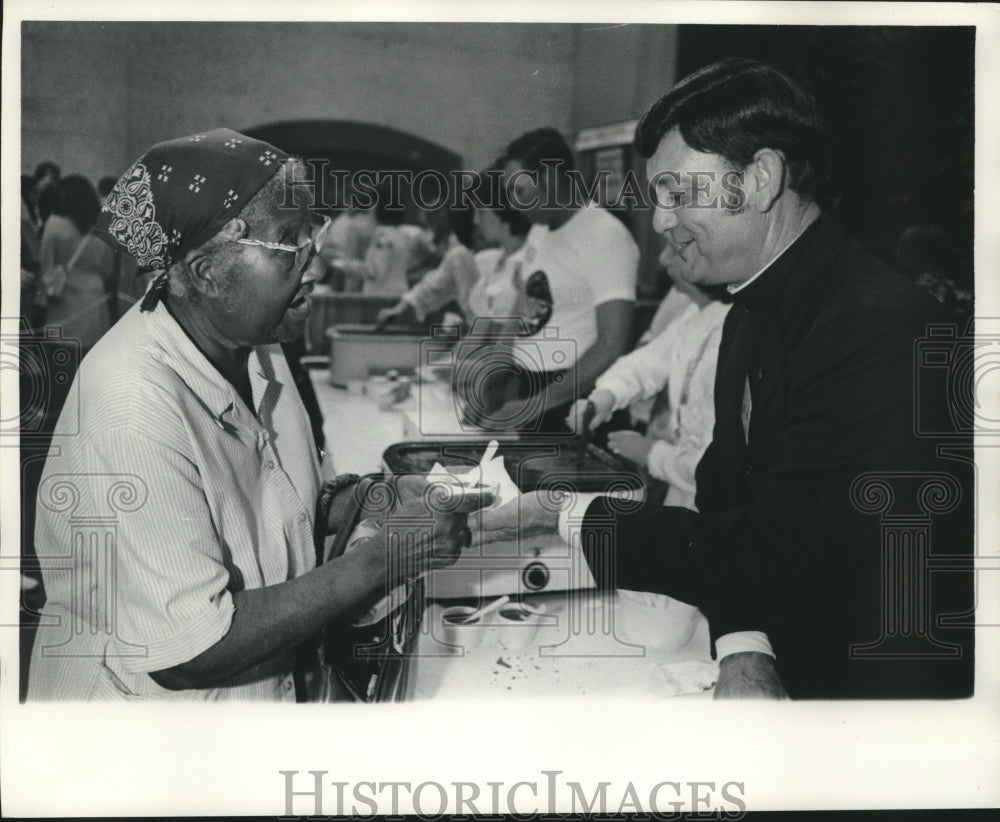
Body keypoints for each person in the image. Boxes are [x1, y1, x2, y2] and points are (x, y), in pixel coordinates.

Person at [474, 60, 973, 699]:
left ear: (761, 178)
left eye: (679, 194)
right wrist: (744, 643)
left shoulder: (882, 328)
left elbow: (775, 558)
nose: (659, 222)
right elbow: (726, 500)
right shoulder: (746, 311)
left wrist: (562, 512)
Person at [27, 129, 487, 701]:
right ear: (206, 272)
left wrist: (375, 498)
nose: (313, 265)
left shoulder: (258, 346)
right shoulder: (133, 400)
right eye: (288, 241)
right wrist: (387, 558)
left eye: (310, 234)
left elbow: (270, 506)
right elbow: (188, 649)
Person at [489, 127, 639, 432]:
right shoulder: (540, 230)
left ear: (549, 179)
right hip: (532, 390)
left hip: (575, 400)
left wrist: (540, 402)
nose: (515, 204)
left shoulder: (604, 235)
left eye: (519, 191)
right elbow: (524, 305)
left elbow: (612, 345)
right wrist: (494, 368)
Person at [568, 242, 732, 512]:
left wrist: (652, 453)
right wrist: (604, 397)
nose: (663, 258)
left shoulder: (733, 328)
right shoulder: (696, 313)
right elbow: (646, 364)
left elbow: (720, 464)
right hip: (683, 489)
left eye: (675, 249)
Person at [39, 174, 118, 352]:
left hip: (63, 300)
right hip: (95, 300)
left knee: (61, 363)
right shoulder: (104, 227)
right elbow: (108, 270)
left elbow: (46, 269)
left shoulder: (53, 225)